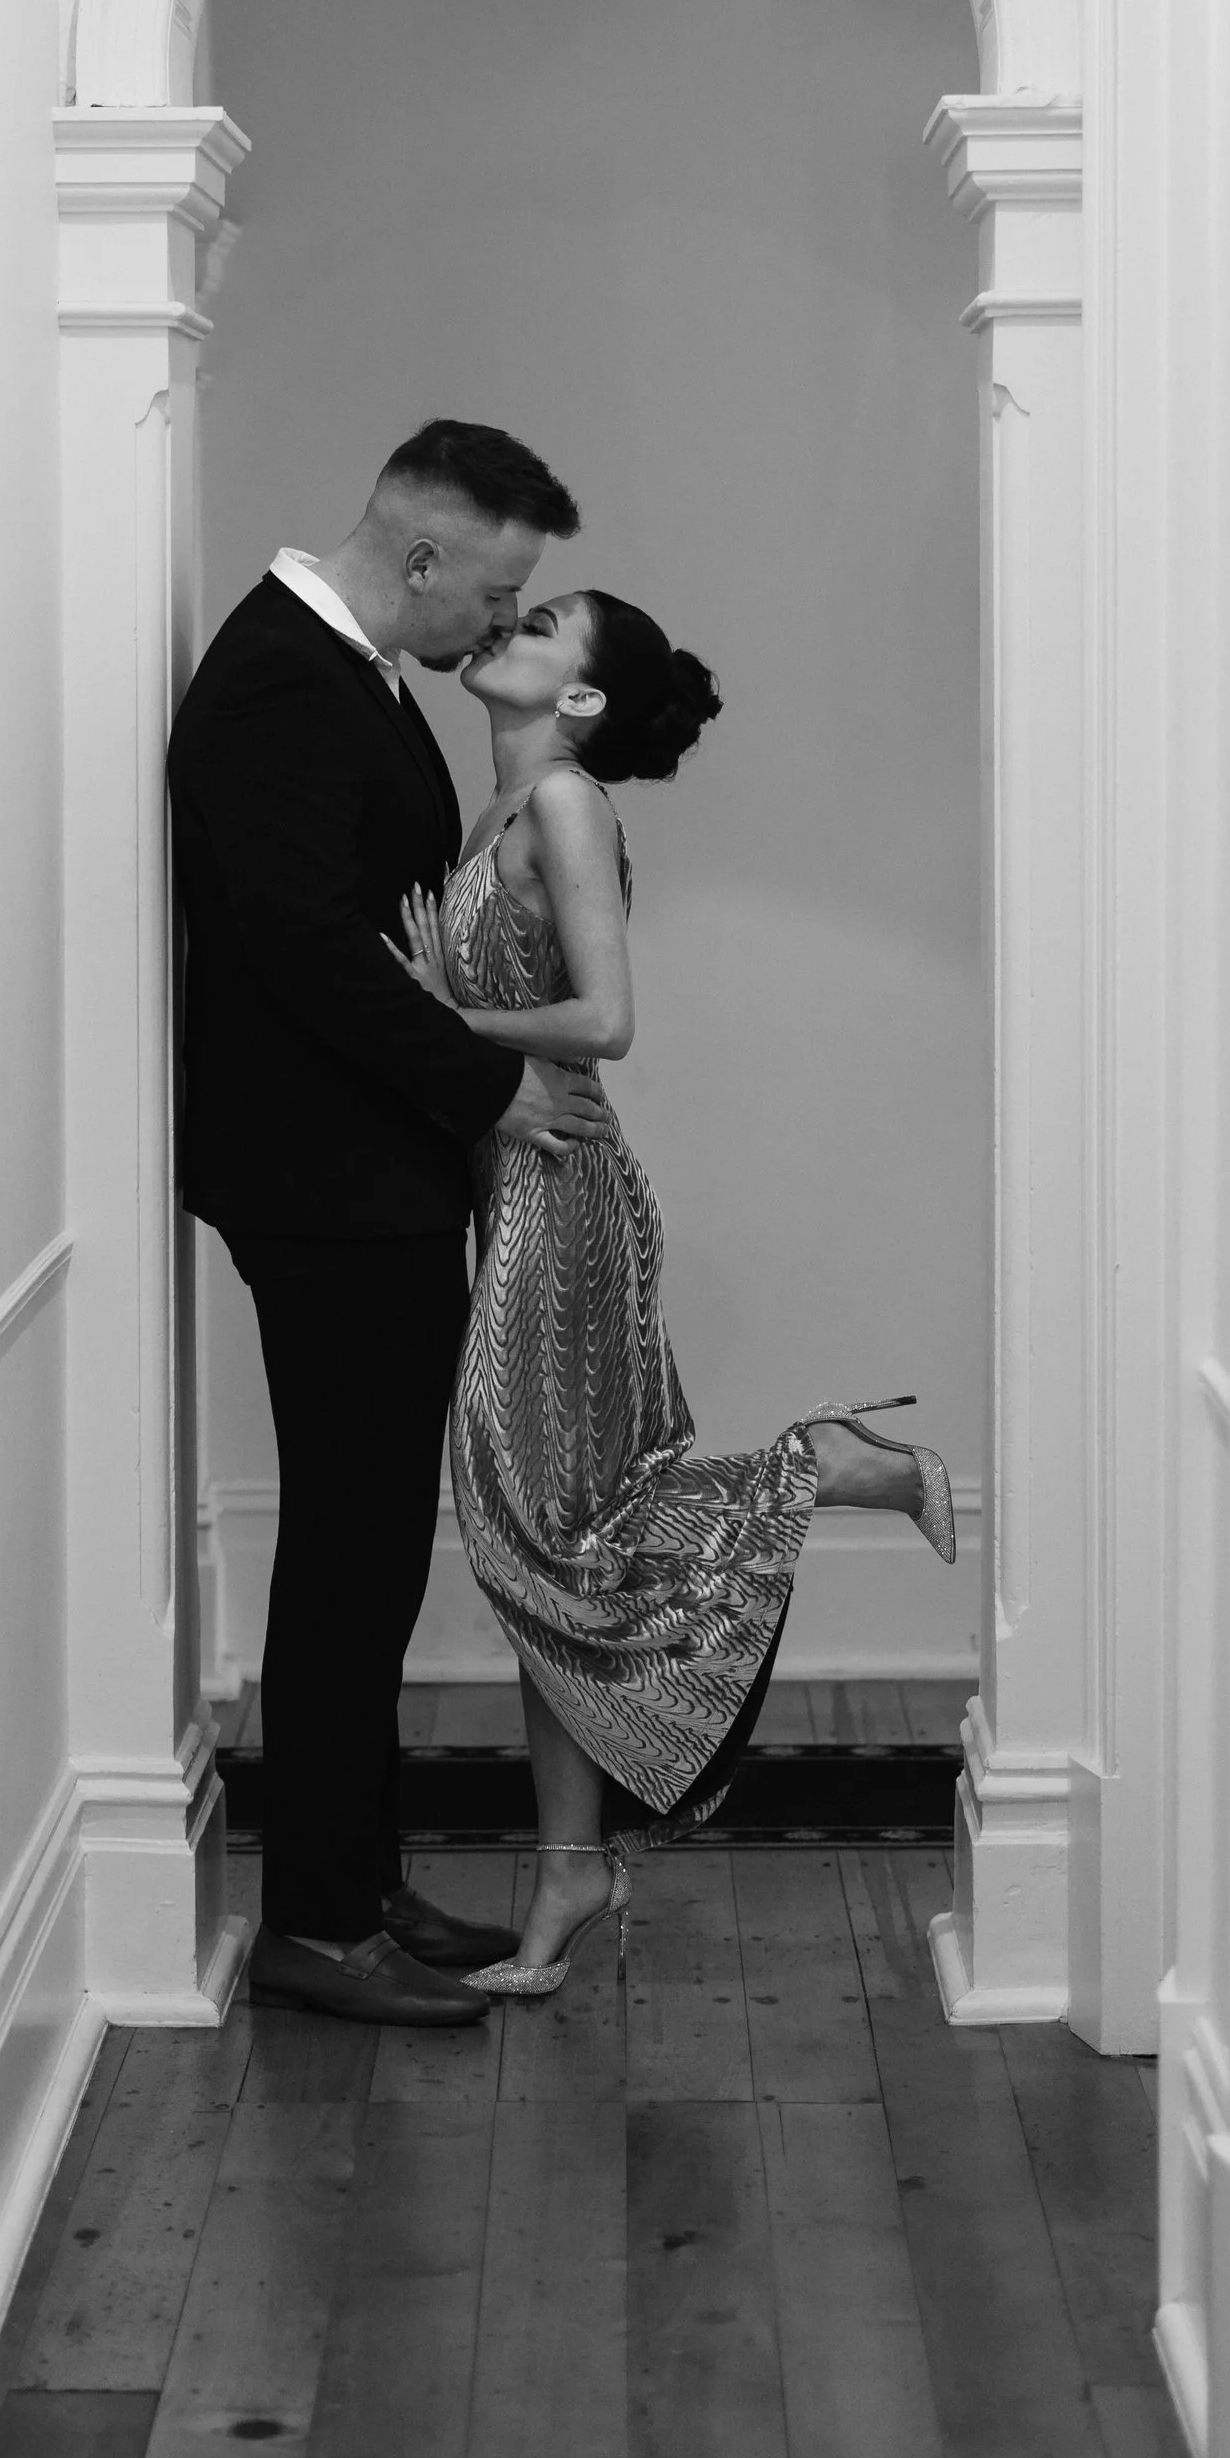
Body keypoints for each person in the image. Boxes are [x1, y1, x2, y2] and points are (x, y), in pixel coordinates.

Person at [388, 585, 956, 1995]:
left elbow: (606, 1019)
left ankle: (828, 1467)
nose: (511, 622)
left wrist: (428, 1016)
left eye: (546, 622)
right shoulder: (495, 814)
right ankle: (570, 1870)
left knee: (542, 1530)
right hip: (511, 1191)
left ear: (578, 699)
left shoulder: (567, 804)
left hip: (561, 1201)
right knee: (551, 1547)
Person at [168, 421, 617, 2029]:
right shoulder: (287, 678)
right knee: (349, 1553)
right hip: (326, 1186)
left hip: (368, 1176)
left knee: (369, 1548)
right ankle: (316, 1925)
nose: (496, 627)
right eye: (491, 591)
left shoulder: (349, 671)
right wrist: (479, 1093)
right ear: (419, 555)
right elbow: (307, 946)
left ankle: (358, 1883)